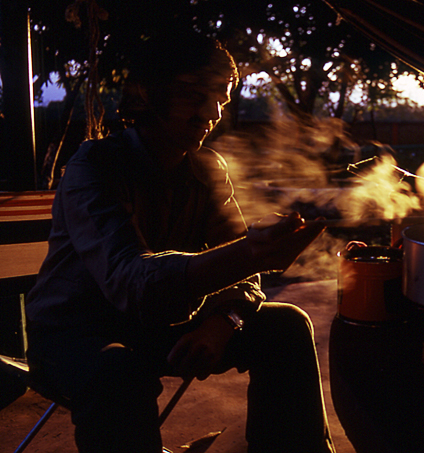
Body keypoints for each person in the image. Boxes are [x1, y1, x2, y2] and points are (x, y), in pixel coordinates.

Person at [24, 28, 334, 453]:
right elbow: (130, 282)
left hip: (158, 331)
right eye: (193, 94)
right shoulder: (94, 167)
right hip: (76, 334)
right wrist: (248, 255)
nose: (210, 112)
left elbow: (243, 281)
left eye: (221, 98)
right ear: (149, 93)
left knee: (286, 326)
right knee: (117, 370)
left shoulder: (208, 169)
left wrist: (223, 322)